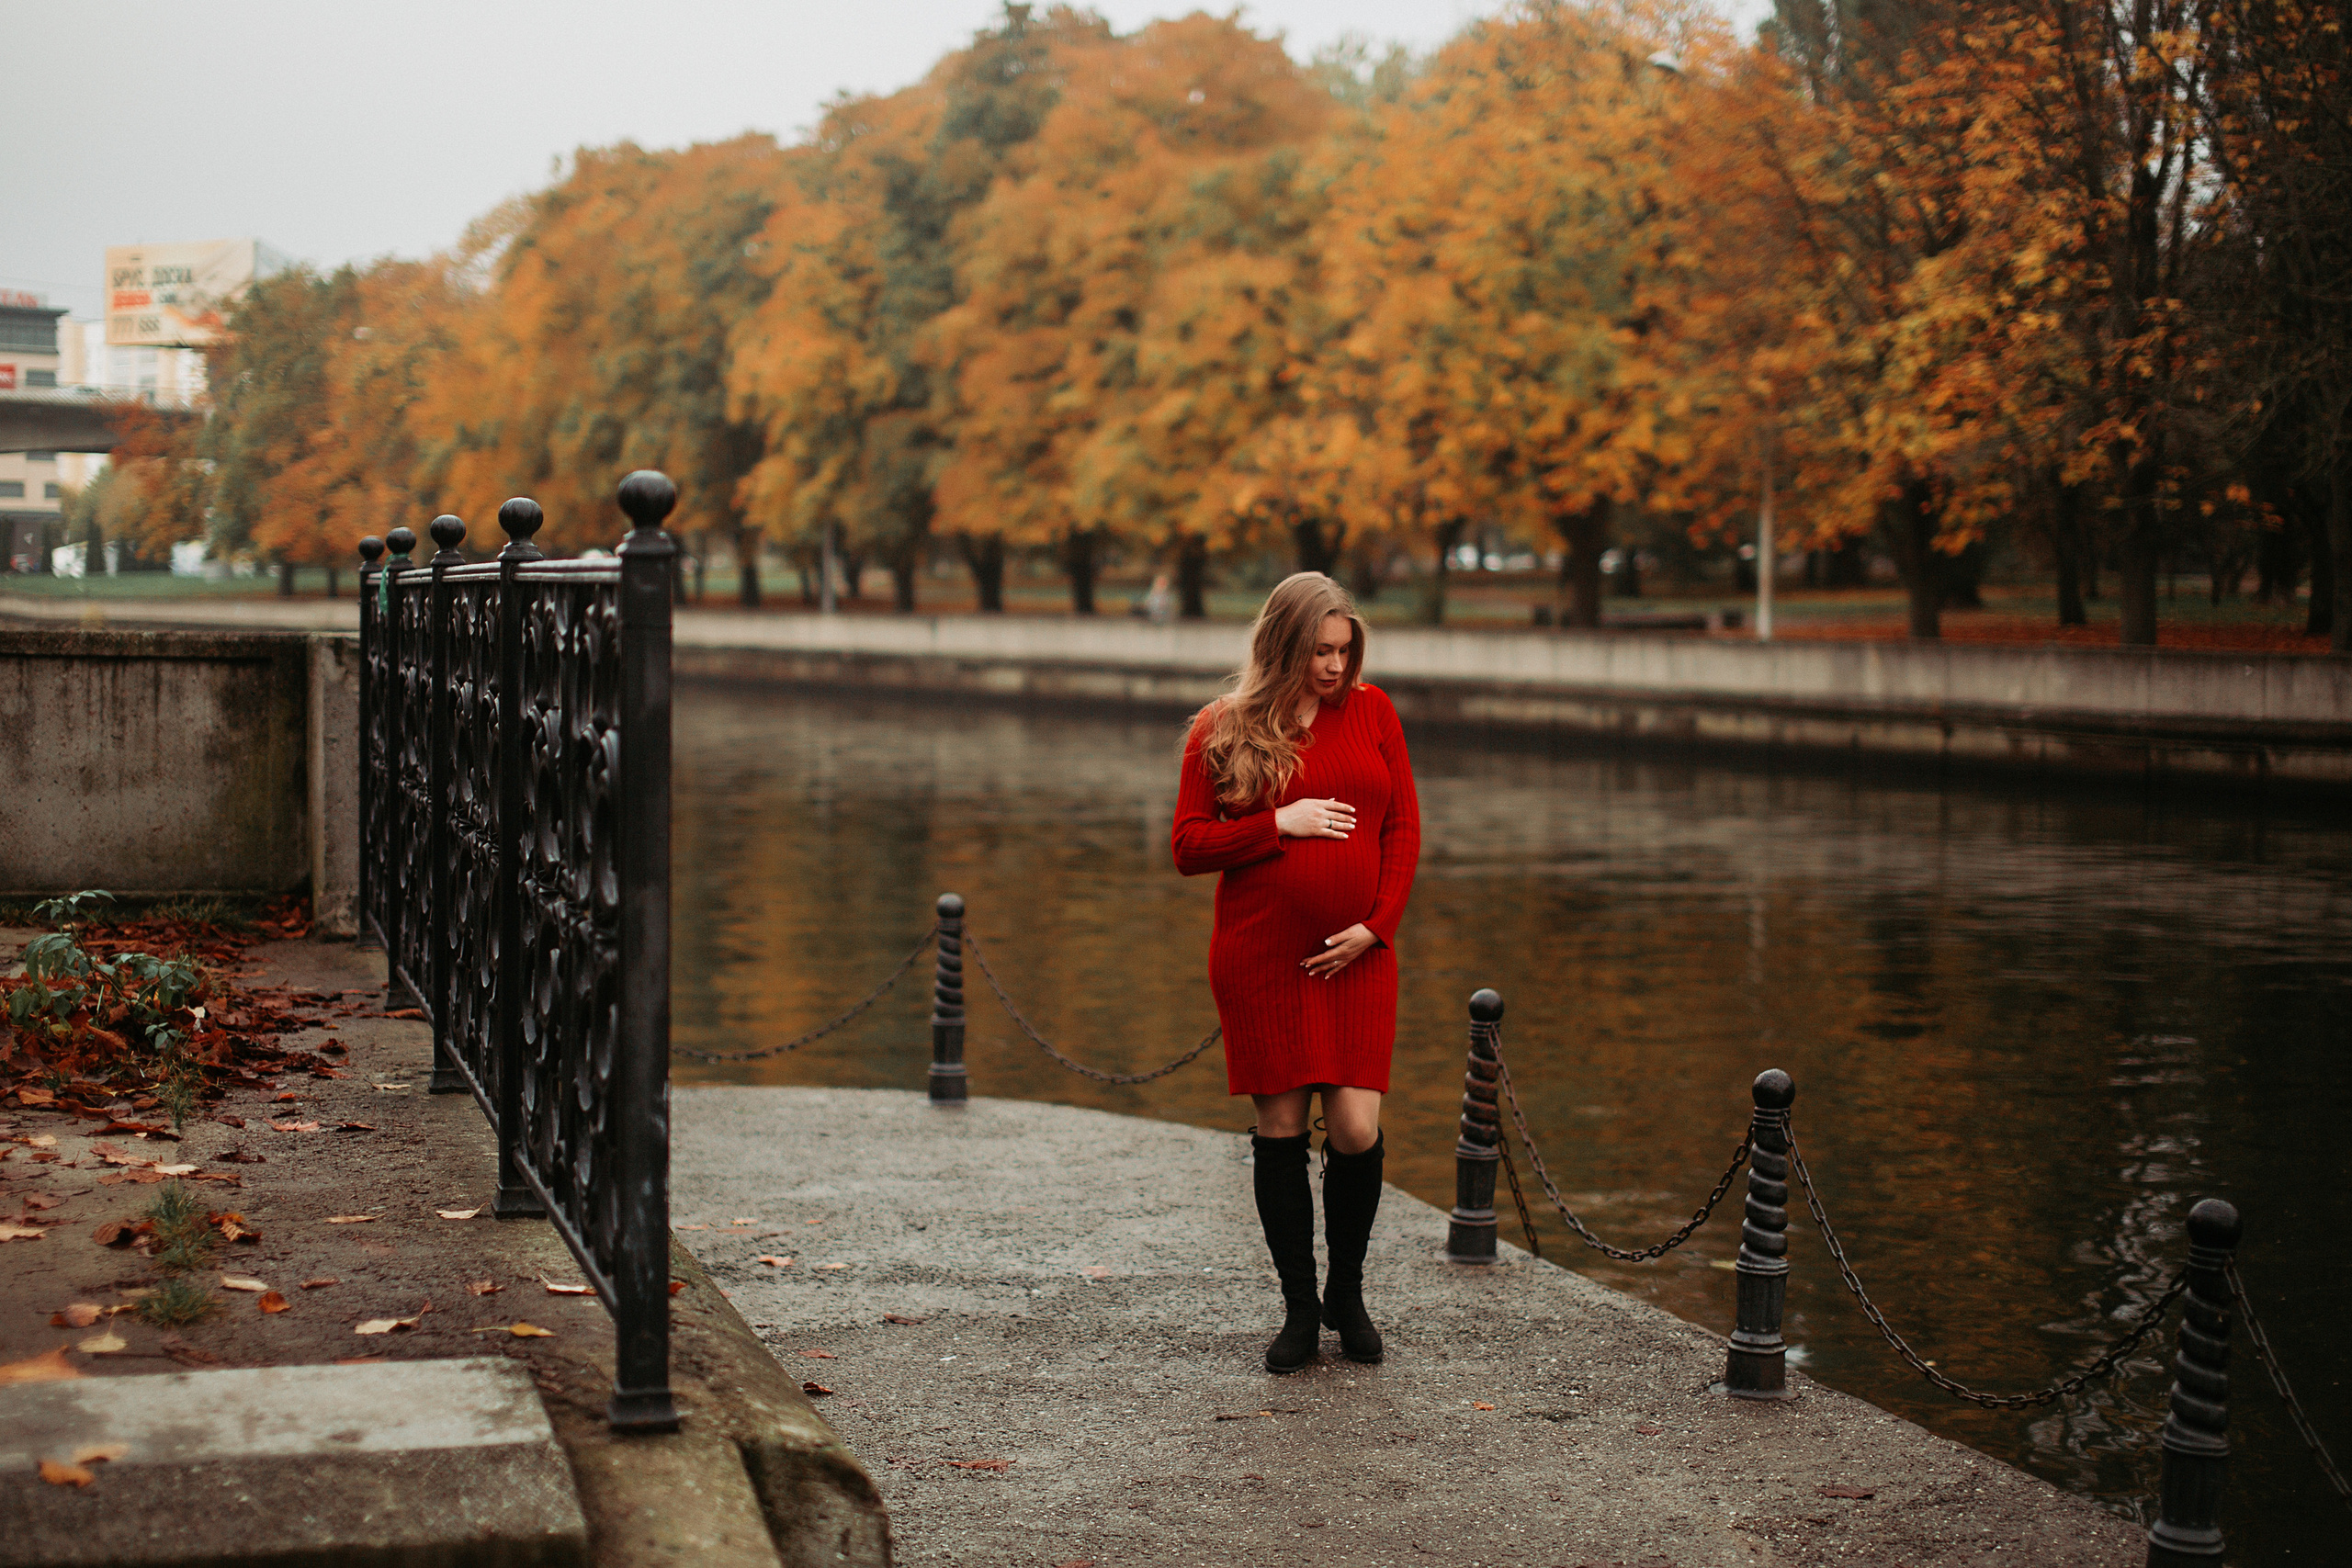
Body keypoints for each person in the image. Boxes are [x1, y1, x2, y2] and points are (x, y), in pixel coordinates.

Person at [1170, 571, 1421, 1373]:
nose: (1334, 666)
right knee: (1280, 1129)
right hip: (1263, 958)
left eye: (1345, 650)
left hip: (1358, 957)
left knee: (1355, 1128)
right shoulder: (1224, 725)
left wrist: (1375, 928)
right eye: (1320, 650)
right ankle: (1301, 1309)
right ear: (1285, 644)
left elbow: (1404, 829)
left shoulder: (1375, 712)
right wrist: (1276, 822)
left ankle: (1348, 1292)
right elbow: (1187, 846)